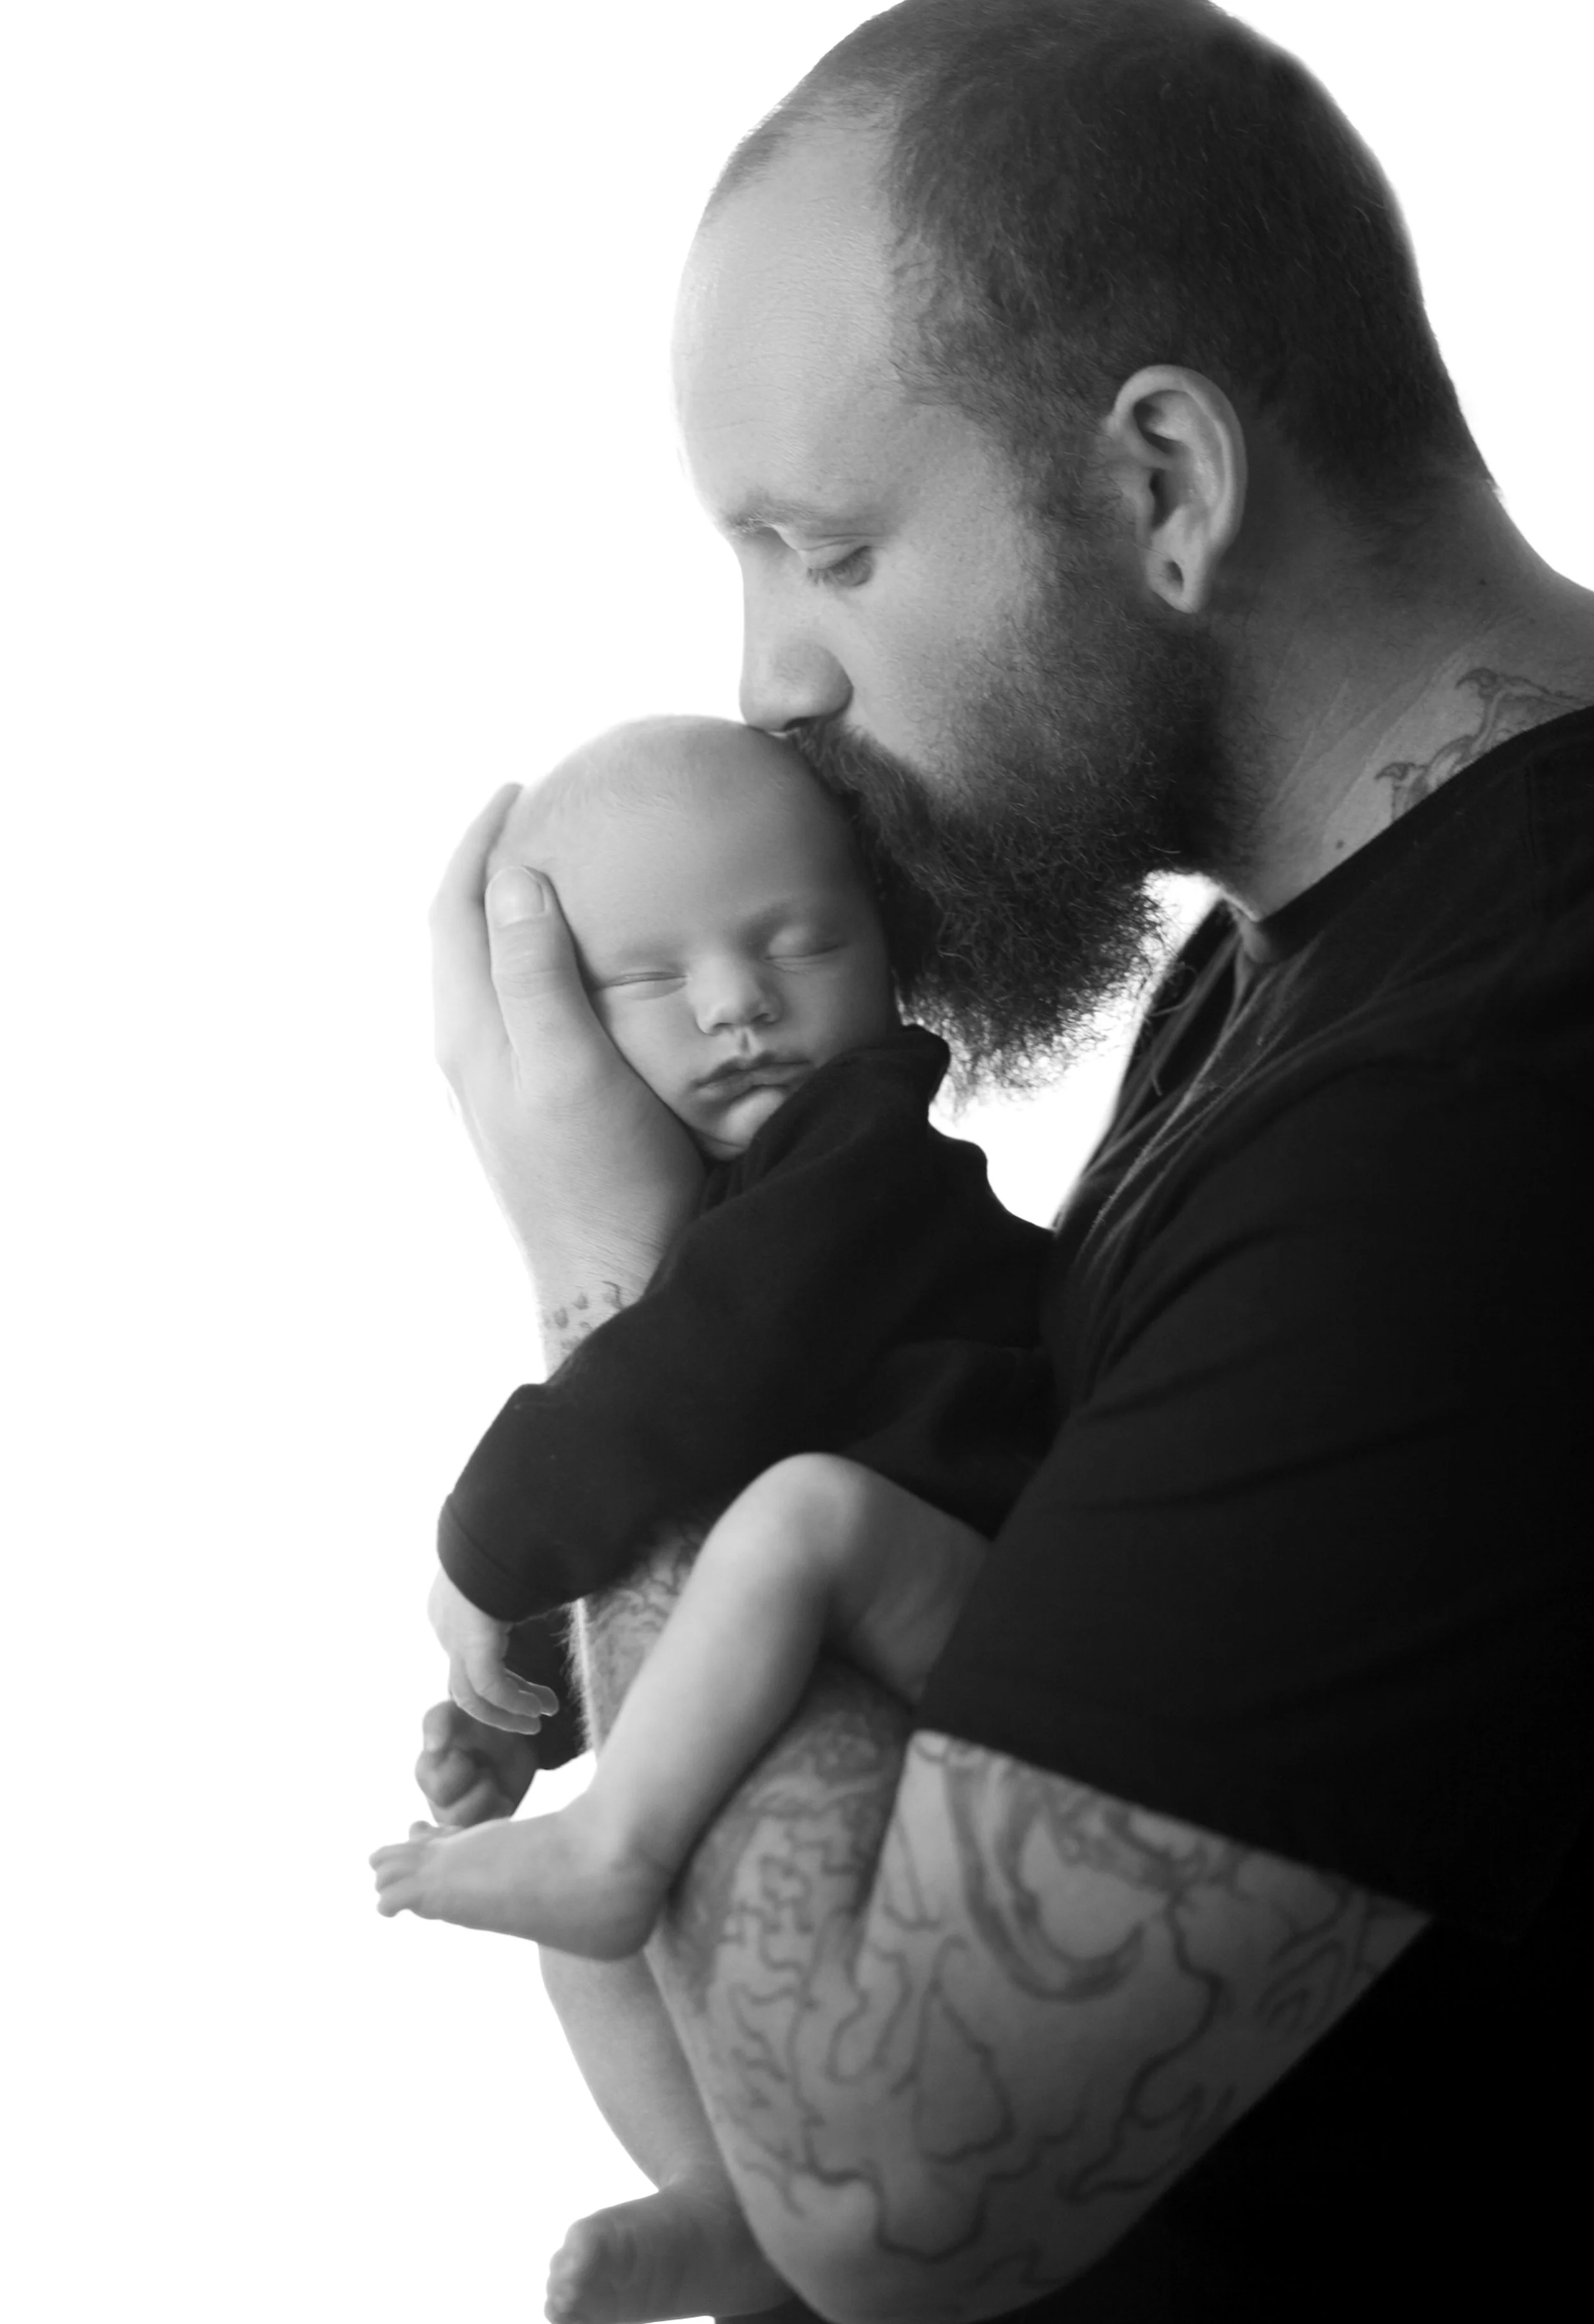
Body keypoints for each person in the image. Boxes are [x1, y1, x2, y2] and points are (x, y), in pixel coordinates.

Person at [418, 3, 1594, 2318]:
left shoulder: (1497, 1090)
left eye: (828, 548)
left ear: (1161, 480)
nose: (775, 683)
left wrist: (617, 1273)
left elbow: (888, 2200)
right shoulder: (1290, 969)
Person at [384, 710, 1049, 2321]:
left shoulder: (862, 1152)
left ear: (886, 946)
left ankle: (618, 1845)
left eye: (793, 941)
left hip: (990, 1620)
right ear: (562, 1025)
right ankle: (733, 2199)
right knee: (590, 1943)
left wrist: (483, 1546)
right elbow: (661, 1493)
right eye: (648, 979)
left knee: (804, 1514)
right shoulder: (714, 1210)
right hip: (857, 1674)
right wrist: (525, 1702)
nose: (735, 1003)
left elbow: (693, 1391)